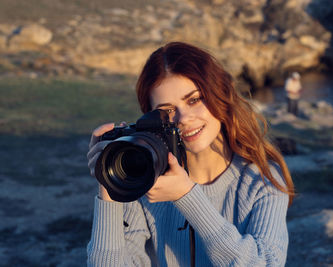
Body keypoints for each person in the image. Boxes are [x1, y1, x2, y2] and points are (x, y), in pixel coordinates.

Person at [86, 42, 295, 267]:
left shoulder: (261, 180)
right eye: (167, 111)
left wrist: (186, 196)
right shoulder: (146, 181)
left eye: (194, 100)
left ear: (220, 94)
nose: (183, 118)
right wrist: (111, 186)